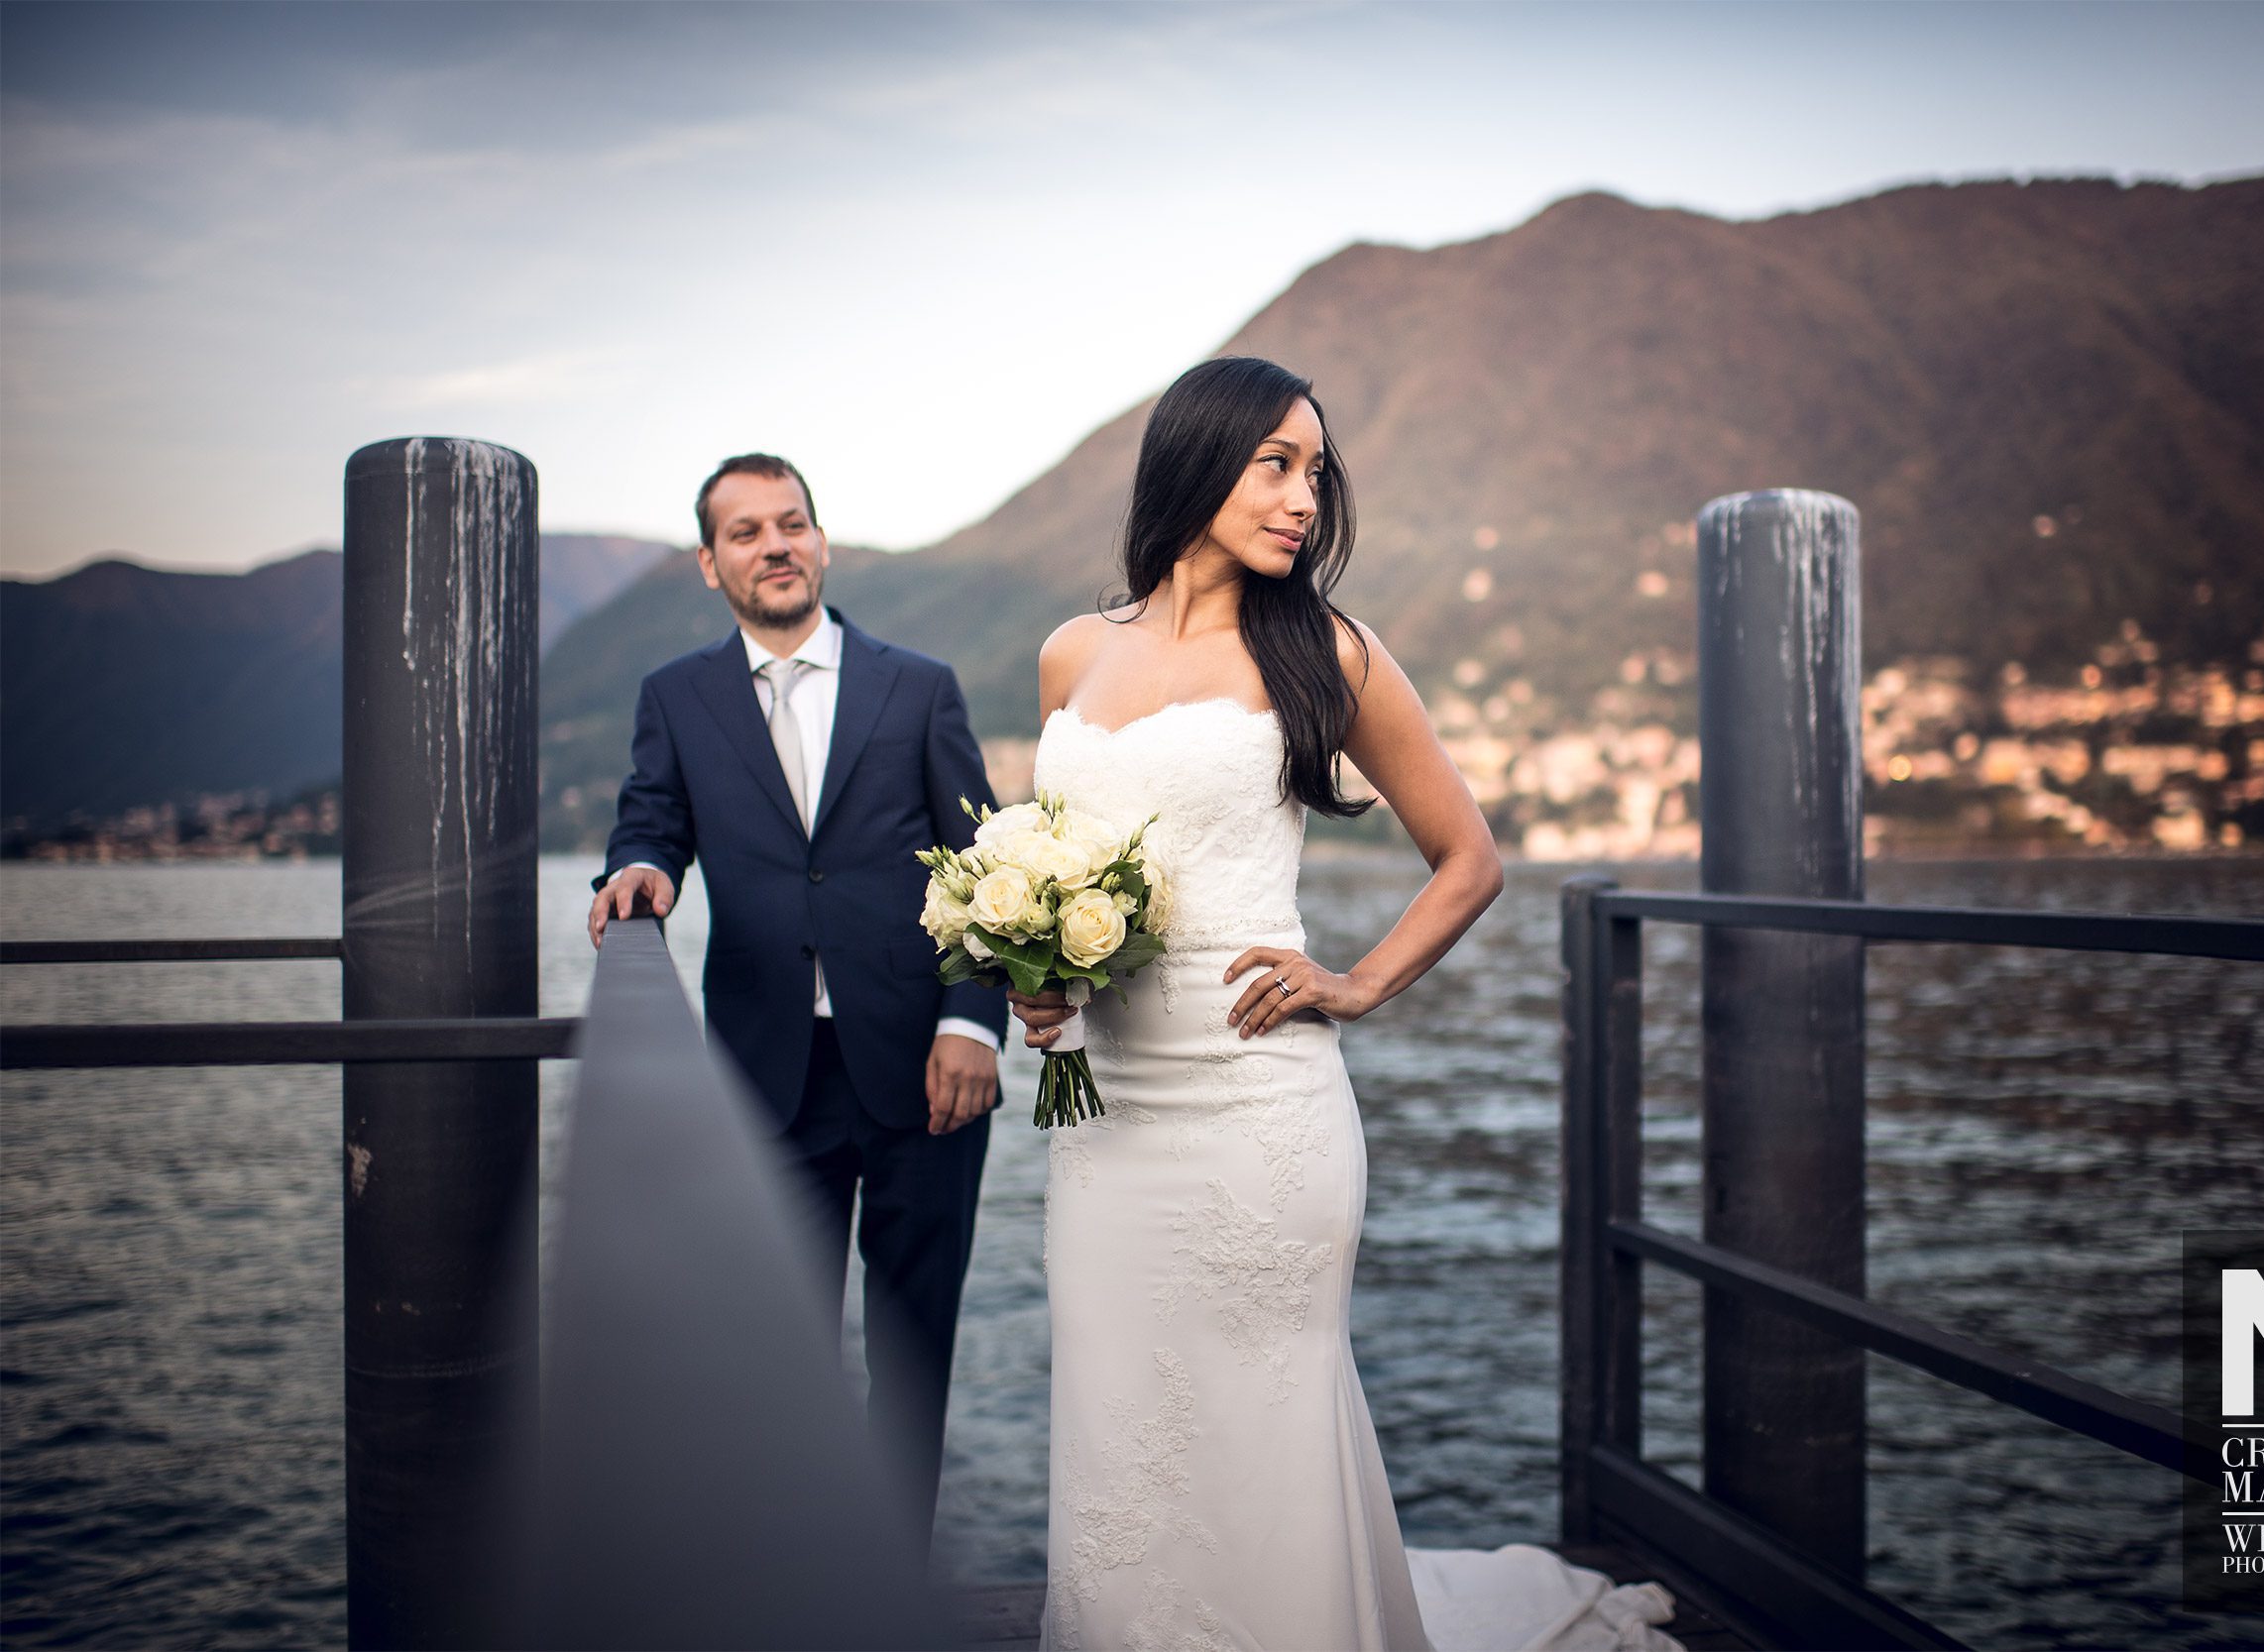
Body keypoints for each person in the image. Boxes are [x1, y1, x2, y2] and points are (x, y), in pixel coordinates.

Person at [1011, 360, 1682, 1651]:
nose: (1304, 494)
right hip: (1108, 1119)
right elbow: (1060, 867)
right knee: (1118, 1417)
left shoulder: (1326, 650)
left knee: (1264, 1424)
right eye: (1276, 461)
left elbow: (1470, 858)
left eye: (1316, 469)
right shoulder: (1070, 652)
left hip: (1263, 1108)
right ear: (1196, 460)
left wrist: (1358, 979)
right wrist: (1041, 977)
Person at [586, 452, 1007, 1546]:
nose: (774, 545)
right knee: (776, 1367)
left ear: (819, 541)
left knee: (914, 1364)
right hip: (766, 1077)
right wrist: (641, 872)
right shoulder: (674, 697)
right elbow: (651, 819)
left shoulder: (919, 686)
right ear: (709, 564)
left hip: (925, 1073)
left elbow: (984, 863)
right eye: (746, 532)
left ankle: (891, 1592)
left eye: (792, 524)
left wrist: (970, 1019)